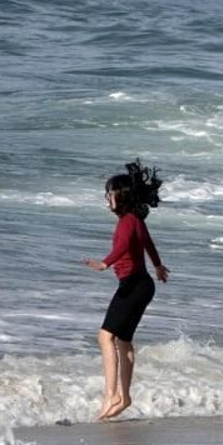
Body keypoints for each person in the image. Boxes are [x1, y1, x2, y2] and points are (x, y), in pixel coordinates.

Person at [82, 160, 169, 421]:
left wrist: (105, 263)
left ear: (121, 196)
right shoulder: (135, 221)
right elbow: (148, 243)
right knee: (123, 340)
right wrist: (158, 266)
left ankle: (111, 395)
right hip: (142, 284)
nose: (107, 198)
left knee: (104, 336)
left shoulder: (126, 223)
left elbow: (124, 247)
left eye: (110, 193)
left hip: (133, 284)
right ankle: (125, 396)